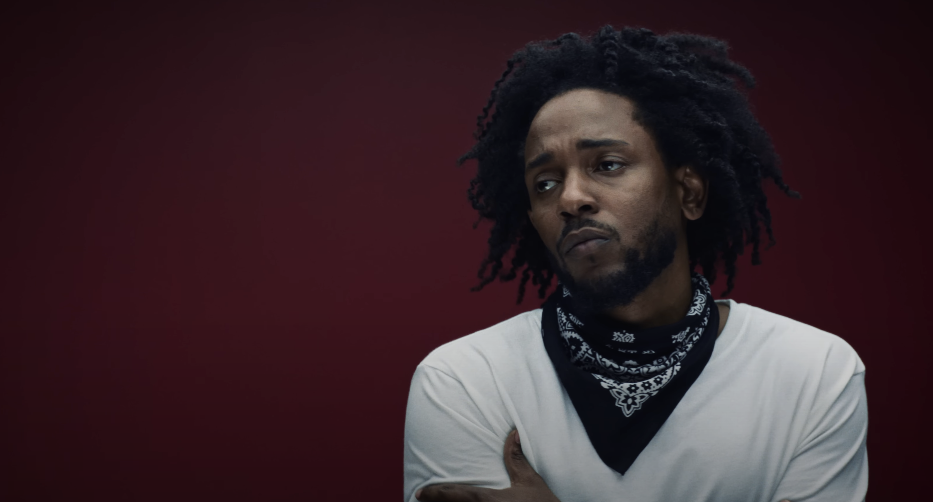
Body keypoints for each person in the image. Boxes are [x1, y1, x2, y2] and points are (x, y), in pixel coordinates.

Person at [403, 26, 867, 502]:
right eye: (544, 183)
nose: (571, 198)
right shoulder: (465, 380)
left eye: (607, 164)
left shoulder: (813, 371)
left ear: (688, 192)